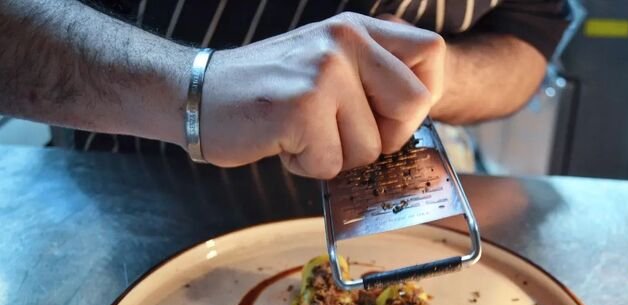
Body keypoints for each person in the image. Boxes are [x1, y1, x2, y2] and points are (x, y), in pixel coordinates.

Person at [0, 0, 570, 178]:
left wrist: (422, 82)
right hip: (129, 186)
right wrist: (192, 88)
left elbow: (528, 33)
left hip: (385, 191)